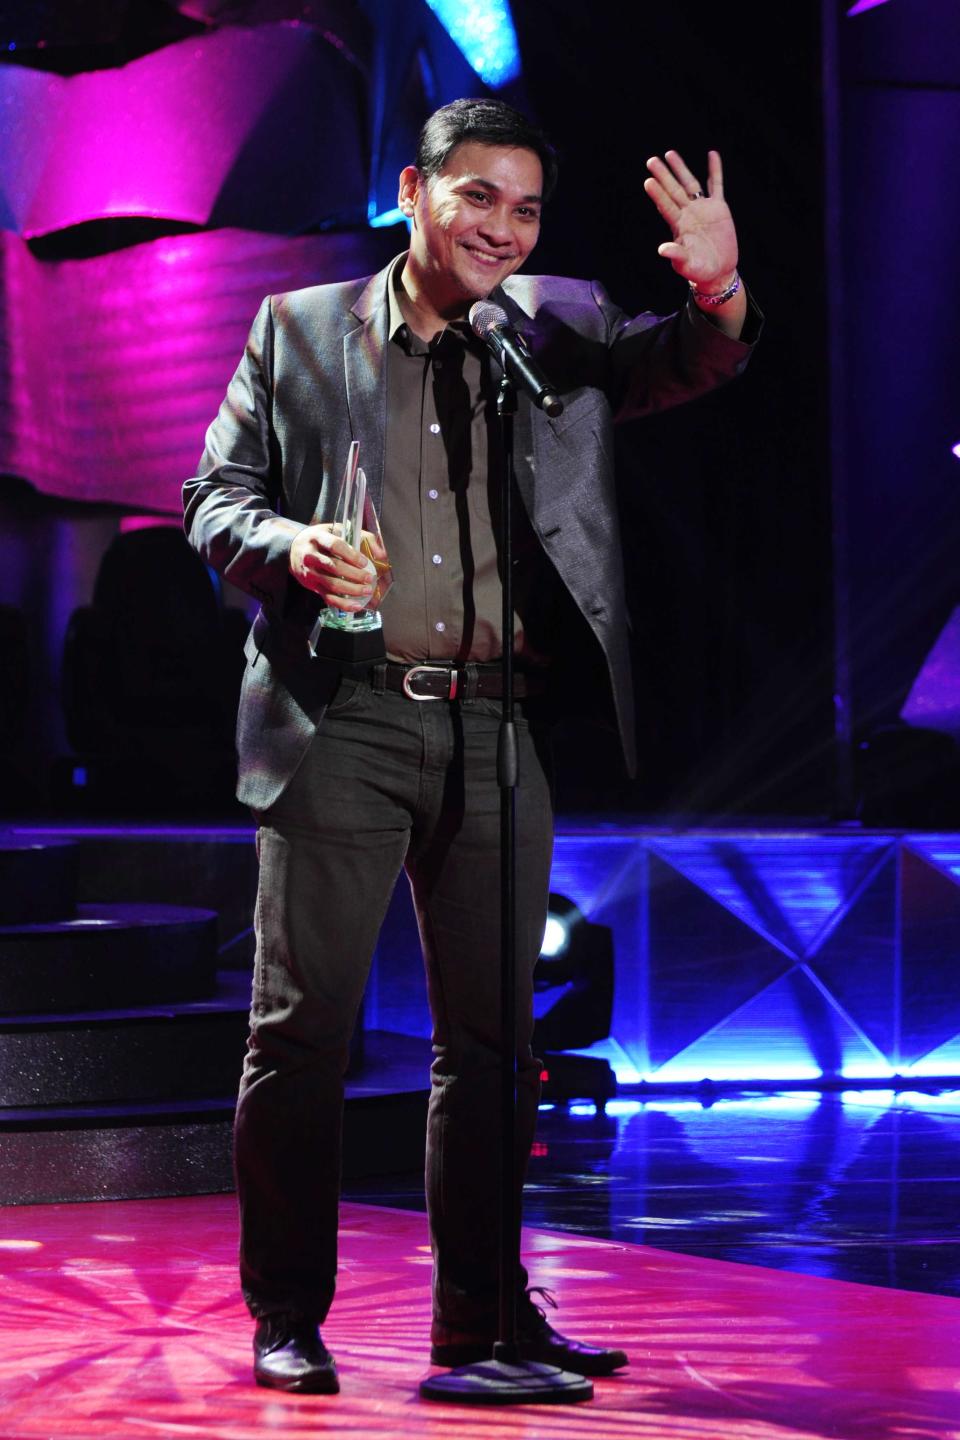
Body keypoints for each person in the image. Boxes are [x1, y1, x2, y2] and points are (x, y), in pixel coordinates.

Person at [183, 97, 759, 1395]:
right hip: (341, 717)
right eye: (479, 197)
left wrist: (717, 287)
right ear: (414, 190)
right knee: (302, 1036)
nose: (504, 226)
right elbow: (213, 495)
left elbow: (686, 360)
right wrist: (290, 548)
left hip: (495, 726)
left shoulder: (548, 326)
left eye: (528, 206)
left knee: (498, 1047)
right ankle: (287, 1314)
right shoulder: (302, 331)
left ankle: (485, 1327)